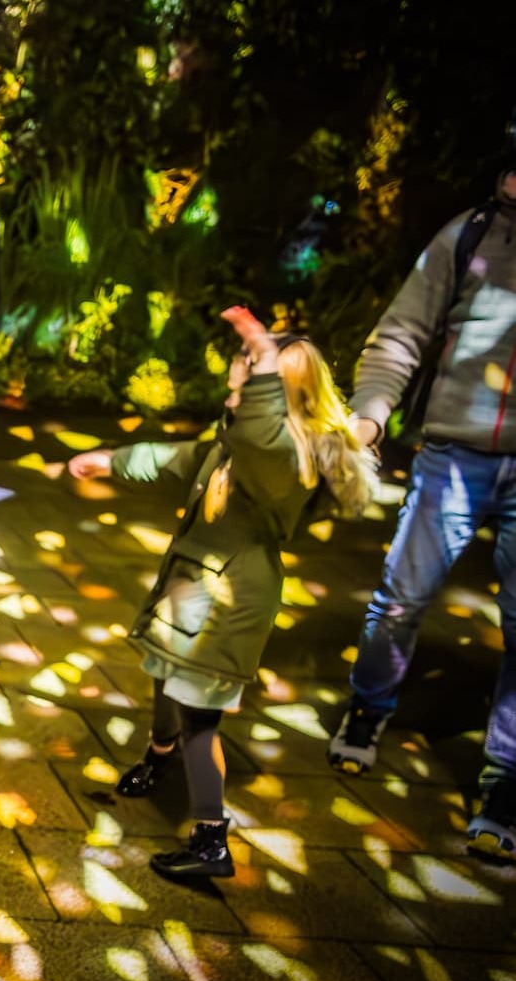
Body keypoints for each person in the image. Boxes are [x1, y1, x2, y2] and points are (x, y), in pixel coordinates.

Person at [71, 309, 377, 878]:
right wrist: (112, 461)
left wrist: (260, 355)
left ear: (277, 394)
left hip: (228, 602)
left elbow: (260, 431)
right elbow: (180, 458)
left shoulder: (283, 458)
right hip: (195, 587)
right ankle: (159, 756)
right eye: (247, 362)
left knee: (200, 717)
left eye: (253, 367)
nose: (240, 370)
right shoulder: (241, 443)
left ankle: (211, 836)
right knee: (165, 672)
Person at [330, 156, 516, 859]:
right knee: (400, 597)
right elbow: (401, 332)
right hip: (452, 453)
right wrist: (369, 416)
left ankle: (505, 777)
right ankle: (367, 705)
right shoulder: (467, 235)